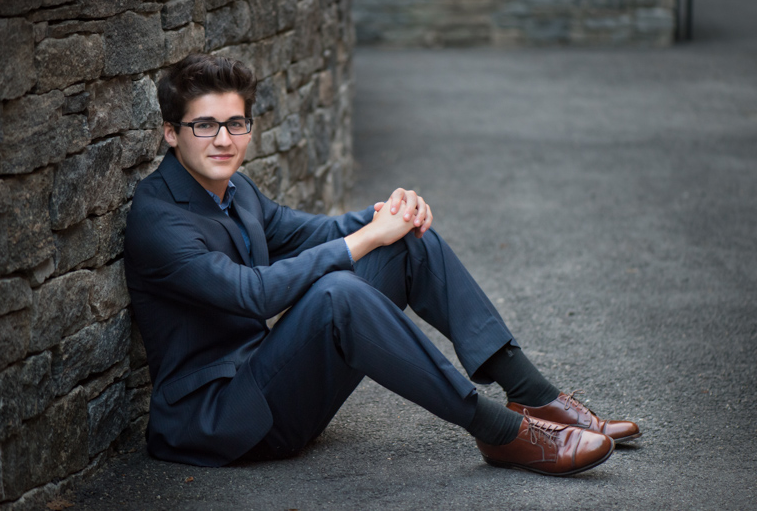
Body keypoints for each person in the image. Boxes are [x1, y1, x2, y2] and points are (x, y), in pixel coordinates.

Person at [124, 53, 640, 477]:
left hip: (272, 384)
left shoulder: (234, 191)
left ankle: (535, 396)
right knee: (337, 295)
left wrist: (385, 216)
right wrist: (364, 238)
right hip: (220, 421)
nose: (223, 139)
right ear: (171, 133)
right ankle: (501, 432)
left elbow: (306, 232)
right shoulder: (159, 218)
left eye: (235, 123)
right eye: (204, 125)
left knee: (407, 242)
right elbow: (252, 294)